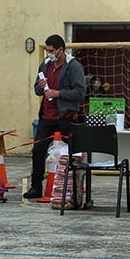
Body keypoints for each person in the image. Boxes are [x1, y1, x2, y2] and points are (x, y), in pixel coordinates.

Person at [24, 34, 85, 199]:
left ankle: (73, 188)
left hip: (65, 117)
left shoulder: (73, 66)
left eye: (51, 51)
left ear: (61, 50)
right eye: (47, 50)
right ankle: (36, 187)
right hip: (46, 117)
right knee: (38, 151)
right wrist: (40, 86)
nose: (49, 54)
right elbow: (37, 89)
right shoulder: (44, 66)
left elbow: (80, 92)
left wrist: (57, 93)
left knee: (70, 154)